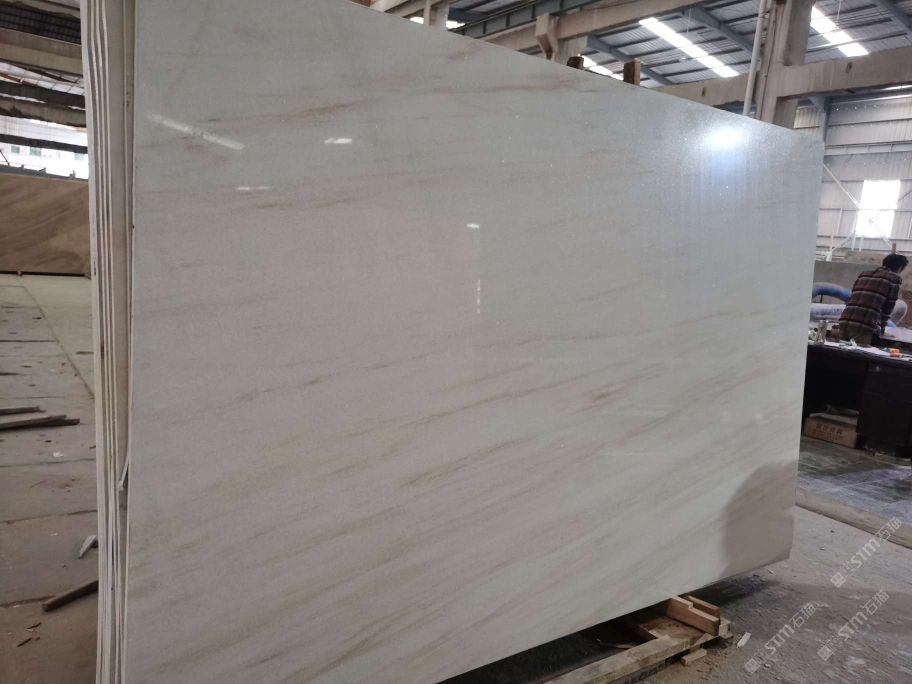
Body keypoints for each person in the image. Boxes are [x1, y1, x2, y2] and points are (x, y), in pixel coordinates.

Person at [839, 253, 908, 346]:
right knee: (859, 353)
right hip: (864, 326)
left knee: (841, 352)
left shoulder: (864, 274)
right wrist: (882, 330)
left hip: (844, 321)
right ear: (900, 268)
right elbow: (888, 308)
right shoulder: (894, 279)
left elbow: (852, 297)